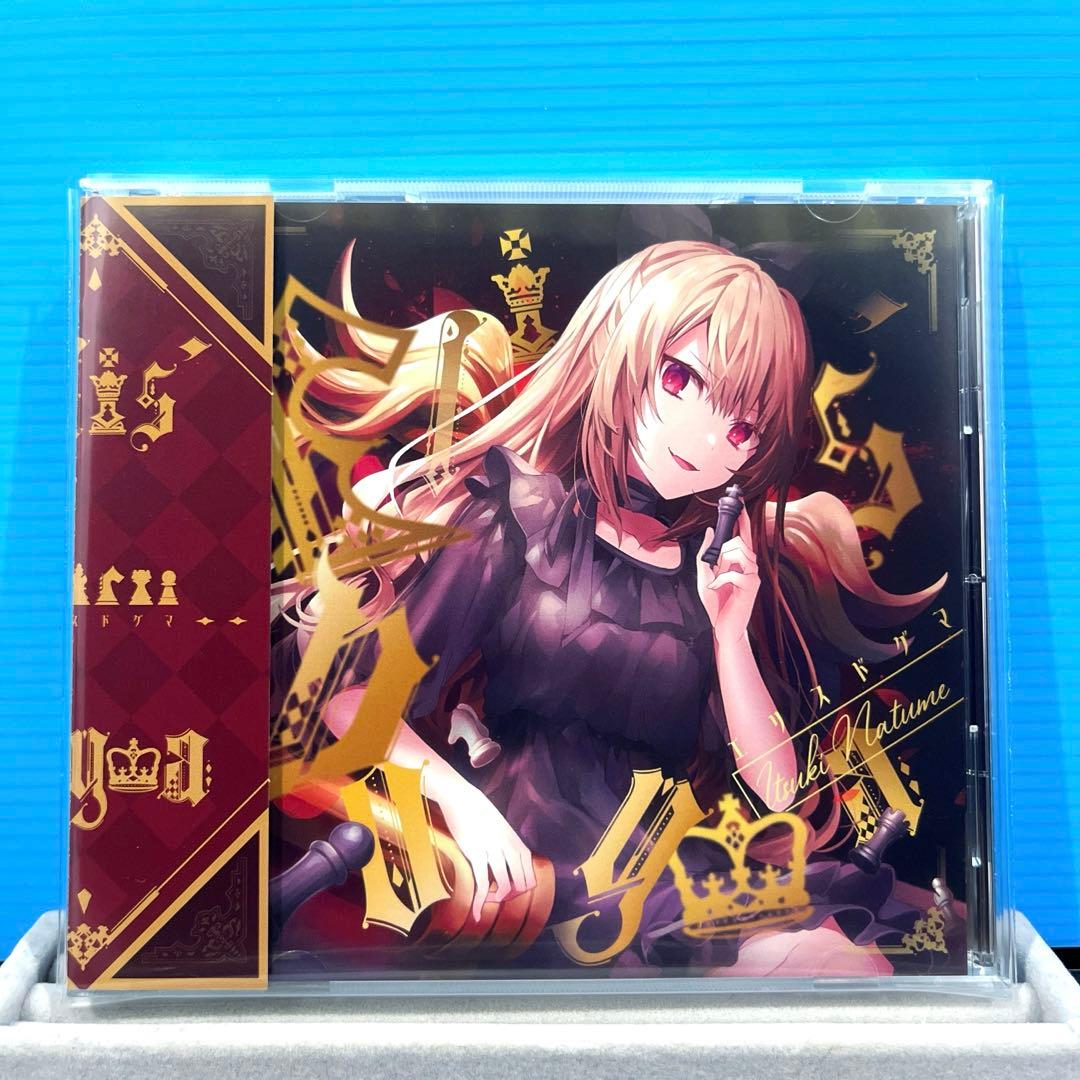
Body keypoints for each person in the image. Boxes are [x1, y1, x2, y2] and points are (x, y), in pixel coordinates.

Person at [277, 240, 944, 974]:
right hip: (535, 860)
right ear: (619, 351)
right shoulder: (519, 516)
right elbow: (352, 700)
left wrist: (730, 634)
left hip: (672, 866)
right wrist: (459, 807)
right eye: (680, 378)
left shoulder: (716, 569)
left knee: (848, 964)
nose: (703, 437)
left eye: (742, 428)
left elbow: (778, 788)